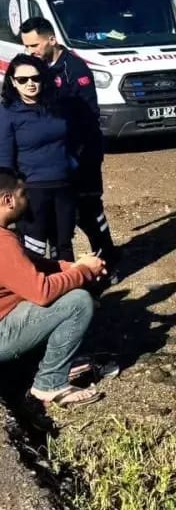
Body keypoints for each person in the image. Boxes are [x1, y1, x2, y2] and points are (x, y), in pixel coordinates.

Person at [19, 18, 118, 275]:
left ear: (51, 39)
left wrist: (75, 156)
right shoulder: (35, 68)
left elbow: (87, 117)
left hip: (82, 153)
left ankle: (108, 260)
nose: (31, 51)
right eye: (26, 46)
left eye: (34, 45)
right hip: (56, 157)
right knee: (56, 217)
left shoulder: (75, 70)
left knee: (89, 210)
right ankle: (63, 270)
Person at [0, 169, 105, 407]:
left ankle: (41, 363)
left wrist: (73, 266)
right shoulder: (2, 242)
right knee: (78, 302)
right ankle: (49, 383)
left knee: (66, 291)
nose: (28, 200)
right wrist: (83, 273)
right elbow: (41, 291)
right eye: (23, 194)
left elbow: (35, 264)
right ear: (8, 200)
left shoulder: (5, 236)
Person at [0, 54, 86, 262]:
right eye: (22, 79)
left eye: (35, 78)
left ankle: (72, 291)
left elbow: (74, 142)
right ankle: (36, 290)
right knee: (34, 247)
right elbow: (4, 158)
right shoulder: (8, 113)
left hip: (64, 185)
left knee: (63, 244)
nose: (30, 83)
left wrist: (73, 168)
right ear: (13, 82)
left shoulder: (57, 107)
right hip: (32, 190)